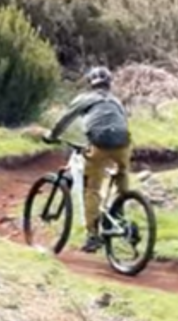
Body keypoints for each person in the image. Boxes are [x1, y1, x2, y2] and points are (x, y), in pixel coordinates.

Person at [36, 67, 133, 253]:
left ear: (90, 83)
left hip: (99, 145)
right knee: (121, 175)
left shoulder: (85, 99)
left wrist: (51, 135)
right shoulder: (116, 101)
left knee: (92, 189)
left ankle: (93, 237)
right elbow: (121, 123)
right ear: (109, 84)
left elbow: (65, 119)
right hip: (123, 144)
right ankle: (119, 212)